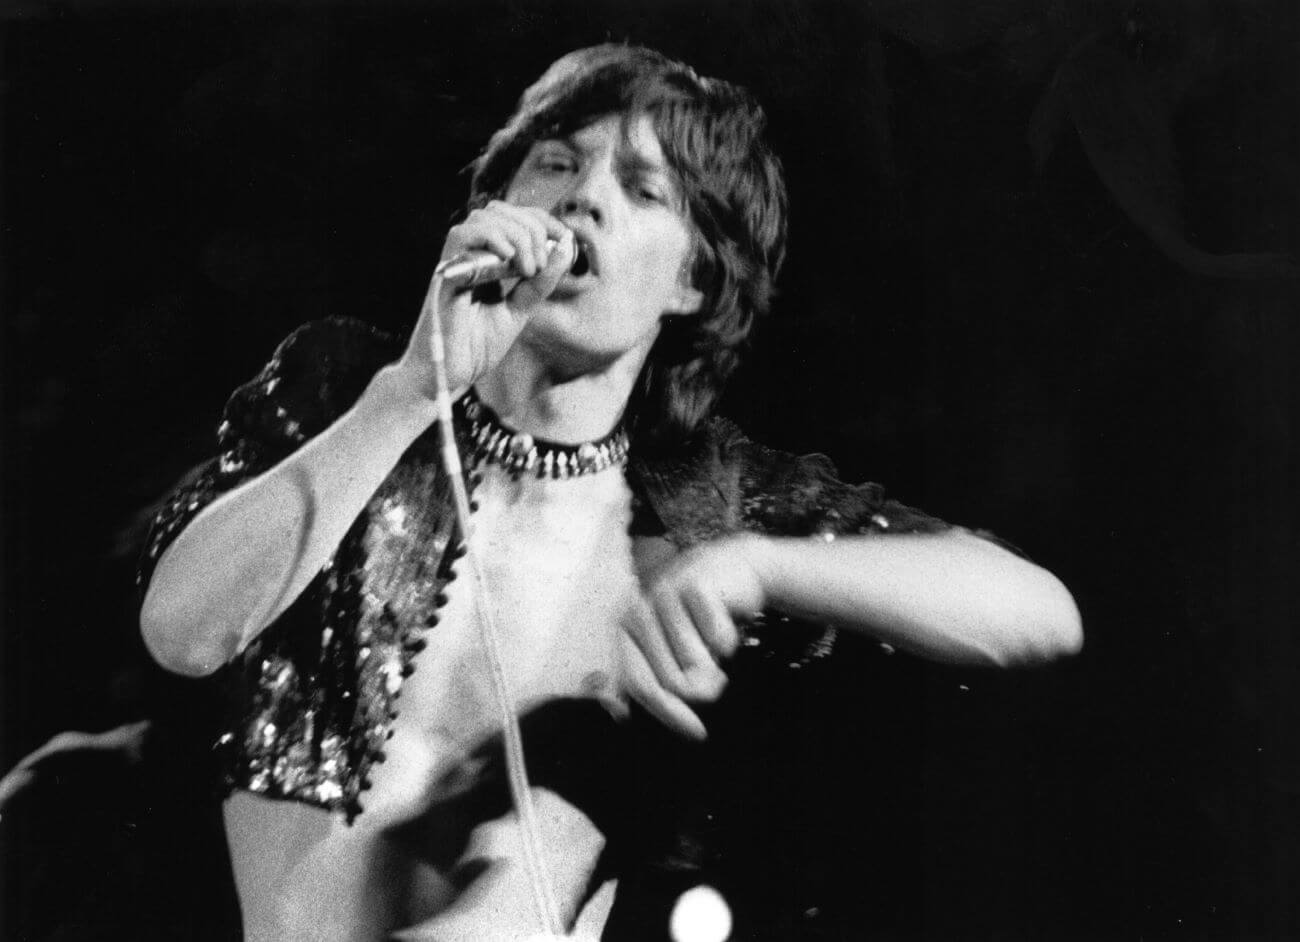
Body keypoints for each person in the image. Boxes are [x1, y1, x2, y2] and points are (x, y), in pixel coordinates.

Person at [137, 44, 1081, 941]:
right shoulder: (348, 388)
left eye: (641, 190)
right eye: (556, 163)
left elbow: (1039, 613)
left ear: (693, 278)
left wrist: (755, 565)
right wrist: (412, 392)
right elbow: (182, 631)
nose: (583, 199)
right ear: (495, 200)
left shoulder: (706, 497)